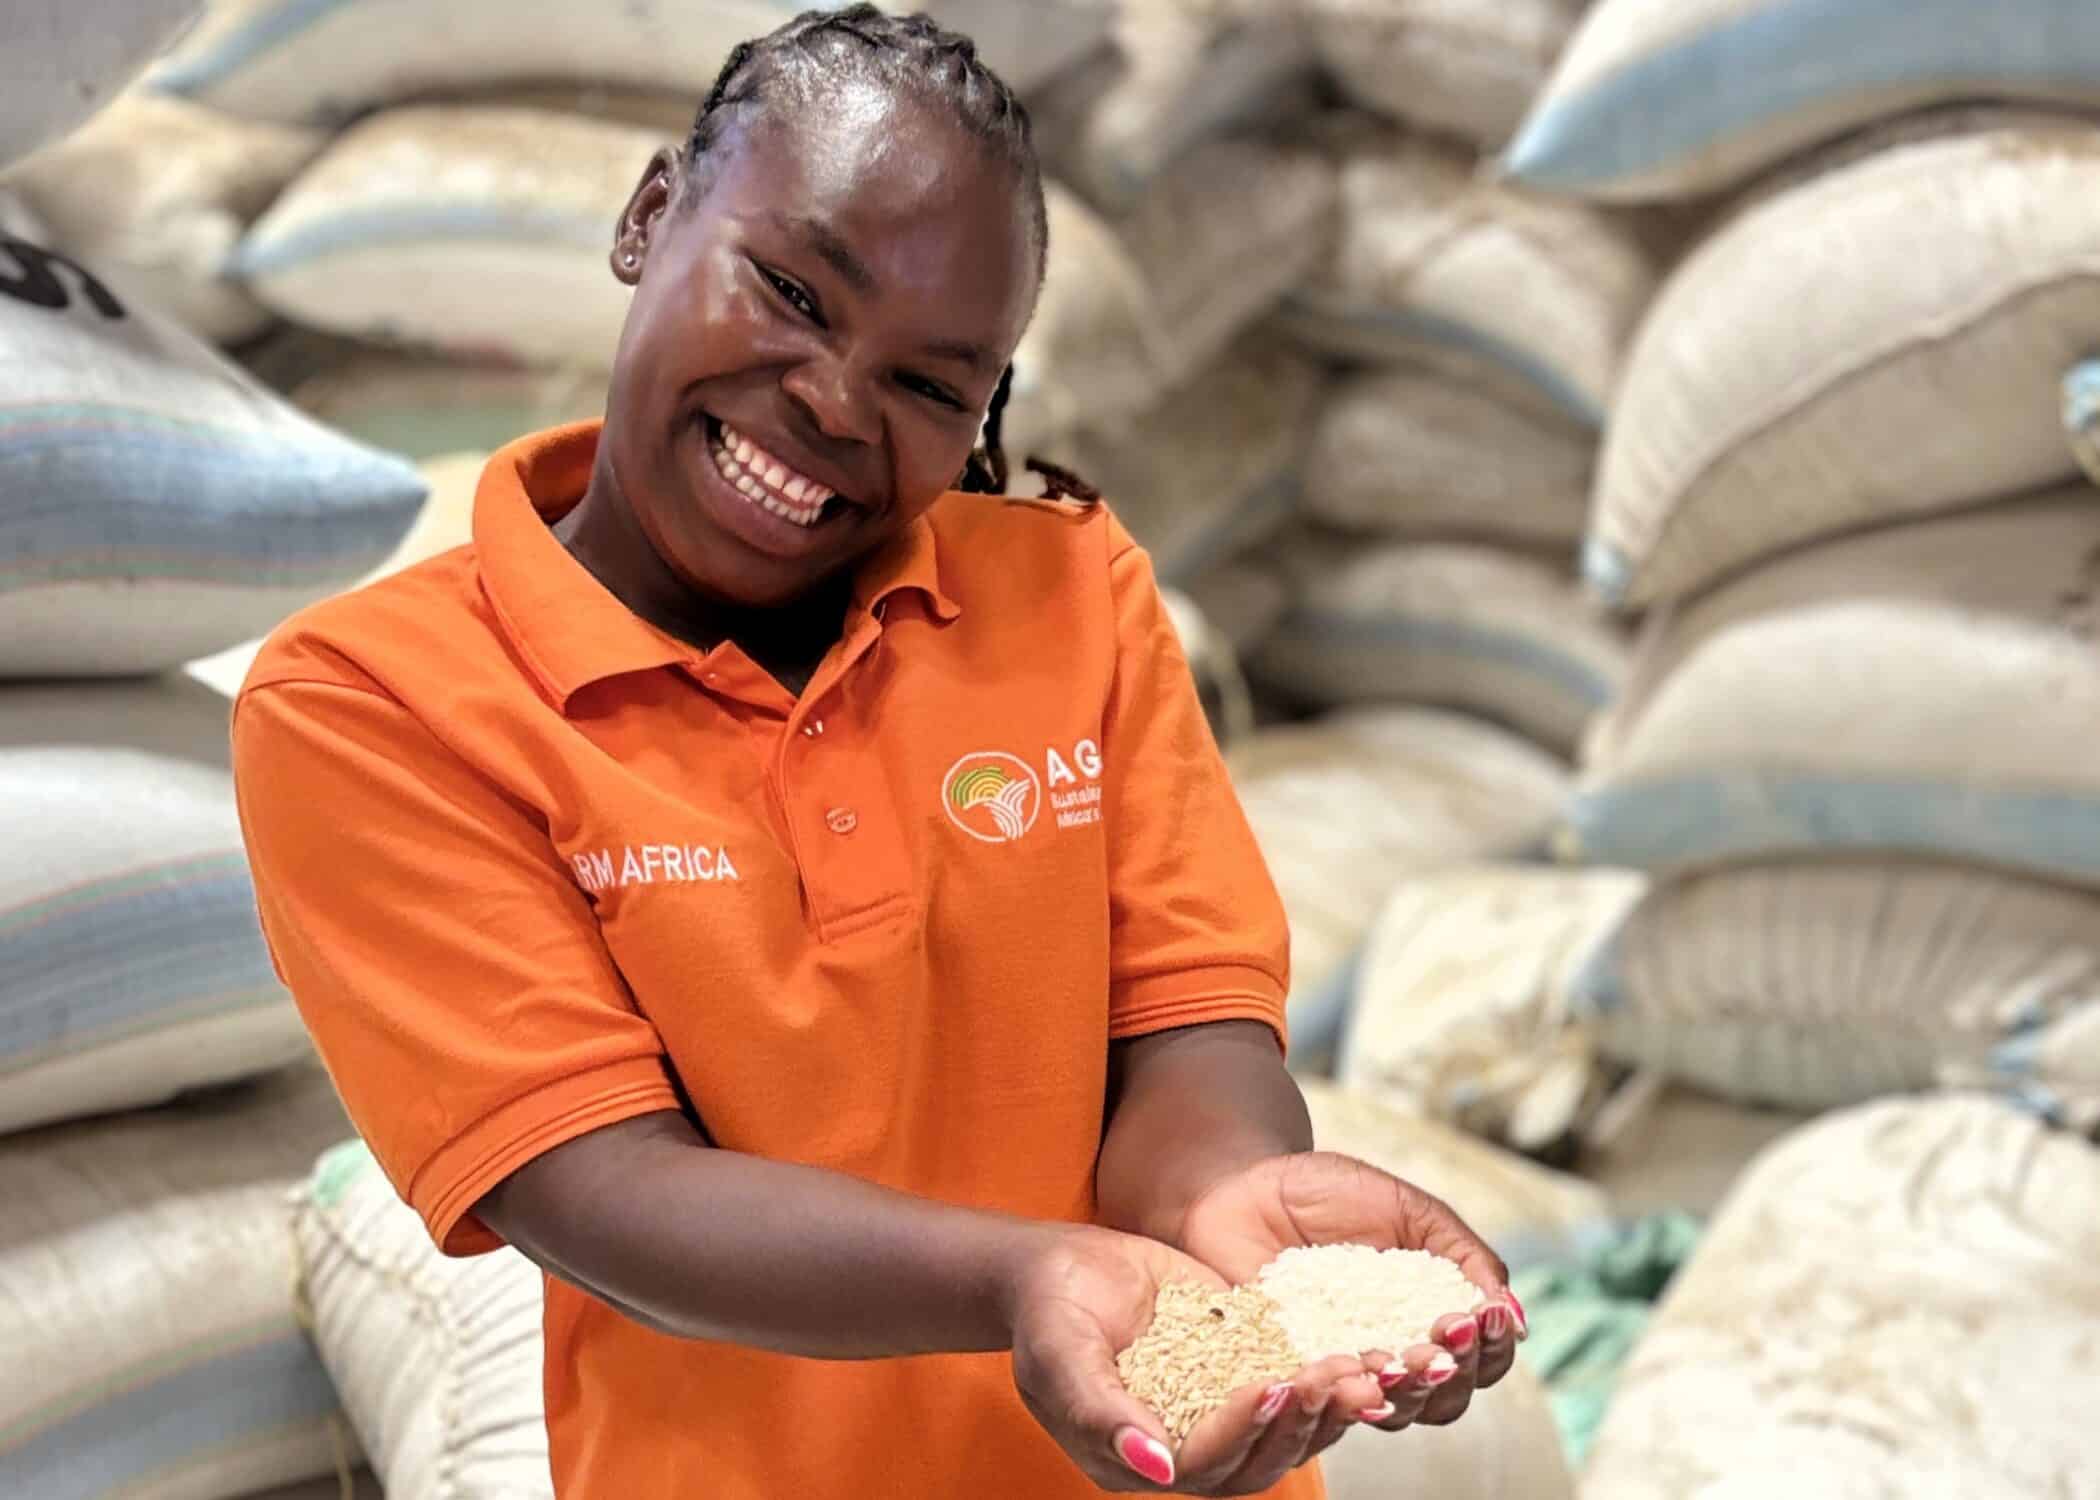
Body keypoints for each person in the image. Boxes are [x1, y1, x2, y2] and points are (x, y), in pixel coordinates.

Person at [231, 8, 1524, 1497]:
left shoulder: (1069, 597)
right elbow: (605, 1190)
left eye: (930, 385)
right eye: (791, 288)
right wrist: (1023, 1282)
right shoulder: (376, 704)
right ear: (652, 217)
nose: (835, 404)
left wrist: (1233, 1190)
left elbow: (1188, 1031)